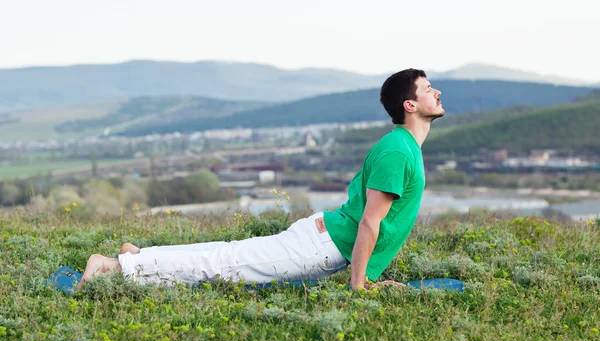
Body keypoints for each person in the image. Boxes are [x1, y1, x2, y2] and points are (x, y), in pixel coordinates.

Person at [79, 68, 444, 291]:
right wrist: (360, 285)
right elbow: (370, 222)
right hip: (322, 245)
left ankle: (140, 257)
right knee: (223, 265)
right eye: (427, 89)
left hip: (323, 237)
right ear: (409, 105)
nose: (436, 92)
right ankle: (114, 266)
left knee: (225, 254)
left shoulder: (405, 147)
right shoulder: (399, 151)